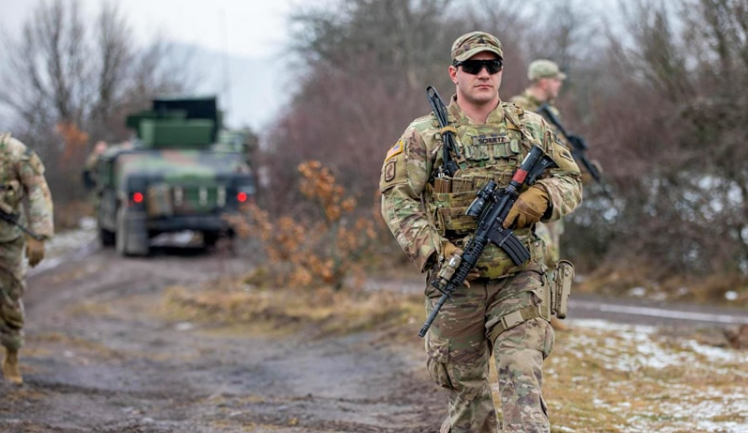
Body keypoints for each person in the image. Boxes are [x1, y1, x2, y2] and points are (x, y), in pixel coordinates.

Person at [379, 32, 582, 433]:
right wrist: (437, 252)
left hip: (518, 279)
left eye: (493, 66)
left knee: (522, 383)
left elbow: (570, 179)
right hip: (456, 284)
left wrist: (541, 197)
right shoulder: (425, 135)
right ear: (454, 73)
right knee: (469, 403)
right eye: (473, 66)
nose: (484, 74)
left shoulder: (529, 127)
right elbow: (397, 200)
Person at [510, 60, 569, 331]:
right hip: (528, 195)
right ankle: (532, 312)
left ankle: (551, 314)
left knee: (552, 253)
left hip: (551, 192)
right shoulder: (519, 109)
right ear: (544, 82)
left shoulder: (551, 112)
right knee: (538, 254)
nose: (559, 85)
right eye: (556, 80)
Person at [0, 132, 54, 385]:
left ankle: (11, 356)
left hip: (6, 240)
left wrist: (38, 236)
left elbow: (37, 191)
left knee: (9, 298)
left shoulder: (15, 153)